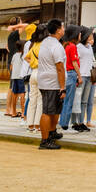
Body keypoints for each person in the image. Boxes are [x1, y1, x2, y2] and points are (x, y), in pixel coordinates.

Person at [35, 19, 67, 149]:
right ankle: (45, 140)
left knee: (54, 109)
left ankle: (52, 132)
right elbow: (60, 67)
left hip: (45, 79)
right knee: (48, 111)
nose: (64, 29)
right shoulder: (56, 46)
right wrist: (62, 87)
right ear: (58, 30)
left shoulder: (46, 42)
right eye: (63, 27)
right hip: (51, 82)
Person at [57, 24, 82, 131]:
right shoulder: (73, 46)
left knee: (65, 99)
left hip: (66, 74)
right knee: (69, 100)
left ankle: (62, 121)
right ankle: (64, 123)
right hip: (71, 74)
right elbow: (74, 62)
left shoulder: (65, 45)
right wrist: (79, 76)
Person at [74, 27, 96, 131]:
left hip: (89, 76)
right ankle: (76, 122)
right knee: (78, 100)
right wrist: (78, 75)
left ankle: (82, 121)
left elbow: (92, 61)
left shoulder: (90, 47)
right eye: (90, 35)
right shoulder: (78, 46)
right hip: (81, 75)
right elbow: (76, 62)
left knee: (84, 101)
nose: (91, 36)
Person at [4, 18, 28, 118]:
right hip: (14, 63)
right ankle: (9, 110)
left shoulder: (12, 36)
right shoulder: (14, 34)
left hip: (12, 61)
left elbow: (7, 47)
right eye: (20, 22)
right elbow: (26, 25)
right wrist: (14, 27)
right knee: (13, 87)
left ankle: (9, 109)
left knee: (11, 86)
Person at [23, 24, 42, 133]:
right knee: (40, 100)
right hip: (41, 72)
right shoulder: (43, 45)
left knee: (32, 100)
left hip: (33, 72)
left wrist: (33, 64)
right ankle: (37, 124)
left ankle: (30, 124)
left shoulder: (34, 45)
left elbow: (26, 57)